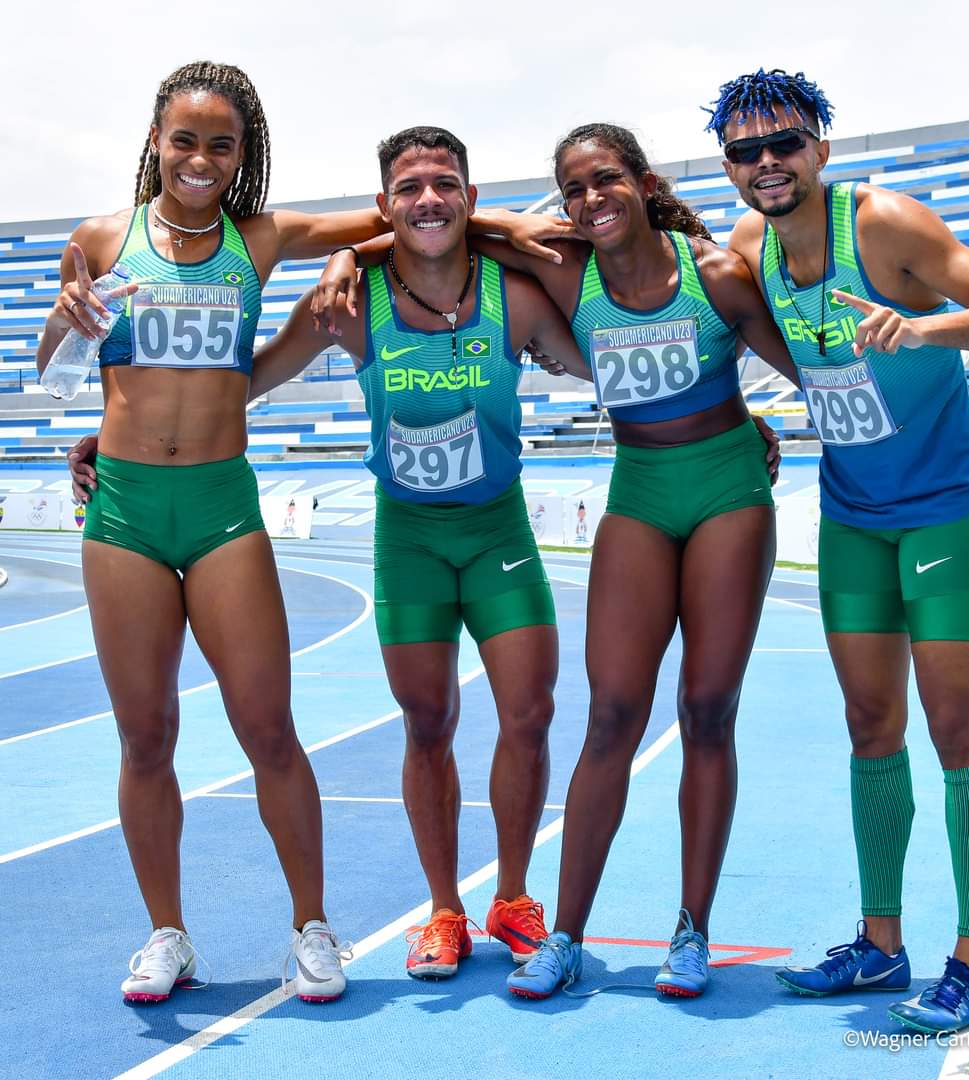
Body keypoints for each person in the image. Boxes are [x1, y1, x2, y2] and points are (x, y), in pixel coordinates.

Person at [52, 66, 562, 1004]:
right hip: (123, 509)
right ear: (155, 141)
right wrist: (68, 325)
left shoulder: (264, 238)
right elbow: (58, 371)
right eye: (184, 140)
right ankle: (167, 933)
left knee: (269, 729)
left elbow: (408, 228)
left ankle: (311, 927)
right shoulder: (98, 240)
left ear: (245, 156)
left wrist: (339, 263)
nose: (201, 159)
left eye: (222, 144)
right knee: (145, 737)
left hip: (223, 506)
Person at [315, 122, 801, 1000]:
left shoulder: (716, 272)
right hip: (637, 493)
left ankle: (690, 931)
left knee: (705, 709)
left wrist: (946, 409)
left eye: (605, 181)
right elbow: (455, 226)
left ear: (643, 182)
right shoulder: (563, 272)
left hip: (727, 486)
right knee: (611, 713)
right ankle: (564, 932)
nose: (589, 200)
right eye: (573, 190)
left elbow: (809, 365)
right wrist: (348, 254)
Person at [708, 68, 969, 1034]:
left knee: (953, 731)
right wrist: (750, 421)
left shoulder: (886, 226)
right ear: (732, 169)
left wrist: (927, 325)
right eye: (746, 151)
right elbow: (746, 347)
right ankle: (880, 944)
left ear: (821, 145)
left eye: (784, 144)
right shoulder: (747, 247)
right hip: (852, 513)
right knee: (868, 726)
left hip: (940, 510)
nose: (767, 164)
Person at [247, 126, 594, 980]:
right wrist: (123, 423)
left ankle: (512, 897)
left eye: (445, 184)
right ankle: (444, 910)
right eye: (409, 188)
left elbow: (615, 369)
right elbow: (250, 379)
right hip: (407, 540)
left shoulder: (513, 296)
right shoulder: (350, 302)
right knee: (428, 722)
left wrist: (743, 418)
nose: (428, 198)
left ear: (471, 200)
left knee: (529, 711)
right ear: (384, 206)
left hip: (497, 532)